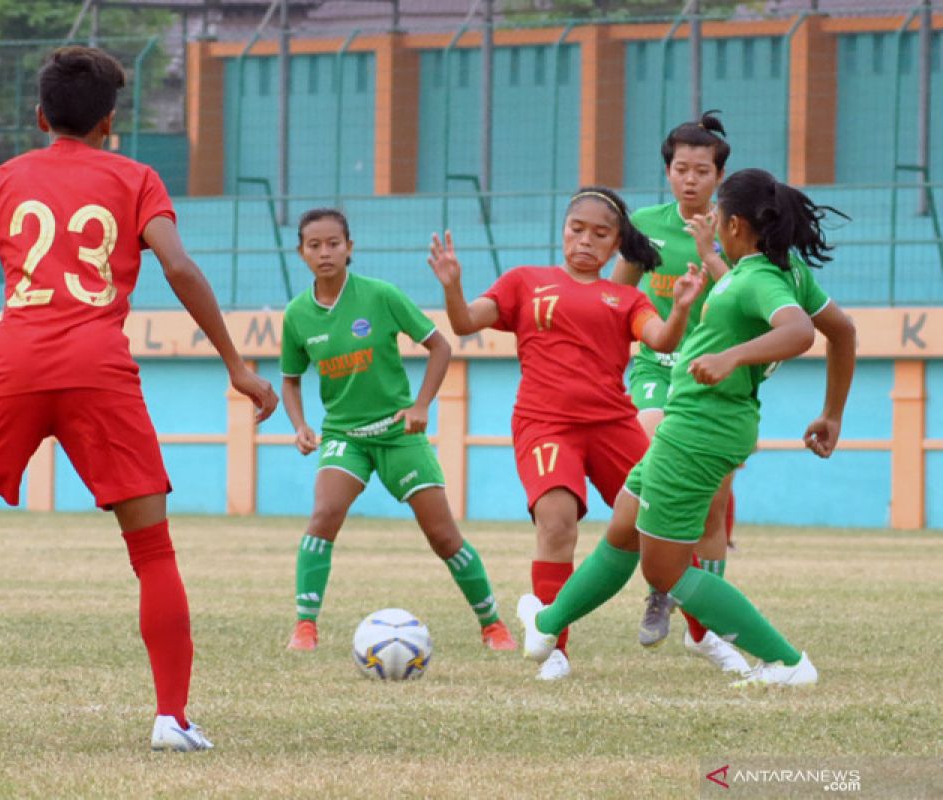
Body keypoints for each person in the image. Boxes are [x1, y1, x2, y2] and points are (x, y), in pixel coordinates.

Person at [0, 47, 278, 752]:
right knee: (151, 550)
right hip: (98, 369)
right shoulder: (137, 178)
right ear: (110, 123)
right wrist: (237, 365)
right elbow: (177, 265)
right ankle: (171, 720)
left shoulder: (2, 180)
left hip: (12, 368)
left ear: (39, 115)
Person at [518, 168, 857, 687]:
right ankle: (544, 626)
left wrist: (729, 357)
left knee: (665, 572)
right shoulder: (775, 272)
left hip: (701, 430)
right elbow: (844, 330)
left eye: (719, 216)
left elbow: (801, 331)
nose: (713, 222)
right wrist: (832, 413)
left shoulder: (761, 280)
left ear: (737, 223)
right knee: (622, 529)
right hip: (694, 424)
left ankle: (787, 663)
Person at [427, 186, 713, 681]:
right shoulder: (524, 281)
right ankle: (554, 649)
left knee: (662, 520)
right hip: (546, 424)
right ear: (562, 231)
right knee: (557, 524)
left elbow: (662, 339)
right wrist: (452, 285)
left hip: (613, 424)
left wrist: (683, 307)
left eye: (600, 234)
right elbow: (464, 320)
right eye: (576, 229)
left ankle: (702, 634)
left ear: (617, 243)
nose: (585, 241)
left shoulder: (627, 298)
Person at [281, 208, 516, 653]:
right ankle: (305, 626)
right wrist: (300, 425)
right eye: (315, 245)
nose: (325, 252)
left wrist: (421, 404)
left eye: (334, 243)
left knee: (443, 535)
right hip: (344, 437)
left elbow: (440, 346)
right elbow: (290, 380)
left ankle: (493, 625)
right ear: (301, 253)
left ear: (350, 248)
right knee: (324, 514)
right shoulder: (297, 315)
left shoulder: (381, 296)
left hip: (397, 433)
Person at [609, 111, 739, 655]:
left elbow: (750, 298)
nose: (691, 179)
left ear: (718, 177)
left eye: (702, 171)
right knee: (658, 449)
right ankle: (660, 588)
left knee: (714, 501)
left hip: (715, 375)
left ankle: (707, 622)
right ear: (668, 173)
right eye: (681, 169)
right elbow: (613, 300)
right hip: (656, 371)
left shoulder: (737, 232)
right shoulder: (645, 226)